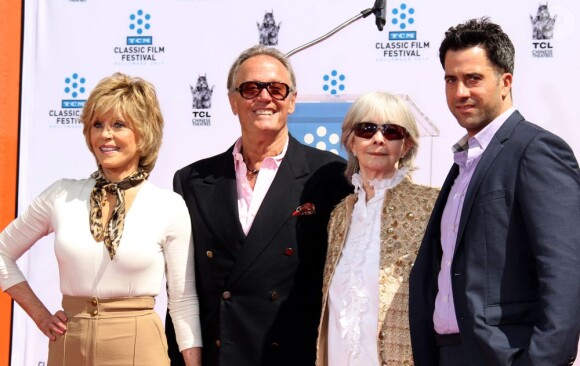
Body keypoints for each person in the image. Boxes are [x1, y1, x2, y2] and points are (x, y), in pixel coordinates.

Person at [165, 45, 352, 366]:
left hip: (293, 353)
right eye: (251, 88)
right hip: (217, 354)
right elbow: (182, 290)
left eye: (276, 88)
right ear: (232, 102)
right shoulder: (193, 180)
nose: (264, 97)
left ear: (292, 101)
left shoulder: (332, 175)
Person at [409, 17, 580, 366]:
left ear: (505, 82)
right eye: (451, 80)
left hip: (505, 355)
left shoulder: (536, 149)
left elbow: (564, 271)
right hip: (448, 353)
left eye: (473, 79)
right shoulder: (463, 163)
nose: (460, 92)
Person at [0, 73, 202, 365]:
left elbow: (183, 301)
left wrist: (193, 362)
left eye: (118, 125)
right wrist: (41, 316)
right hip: (69, 345)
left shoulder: (168, 206)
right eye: (98, 125)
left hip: (139, 346)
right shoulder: (61, 194)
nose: (105, 135)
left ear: (144, 133)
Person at [315, 92, 439, 366]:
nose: (378, 139)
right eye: (367, 129)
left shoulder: (432, 206)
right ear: (351, 141)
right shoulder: (340, 215)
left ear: (406, 145)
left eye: (392, 131)